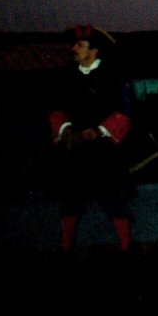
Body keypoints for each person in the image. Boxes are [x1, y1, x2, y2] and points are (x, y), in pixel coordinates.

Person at [48, 24, 134, 254]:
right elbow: (56, 107)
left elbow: (124, 112)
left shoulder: (112, 76)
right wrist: (65, 129)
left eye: (80, 45)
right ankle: (66, 250)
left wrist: (100, 131)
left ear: (94, 51)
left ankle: (127, 249)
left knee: (113, 199)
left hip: (104, 151)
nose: (74, 48)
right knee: (70, 201)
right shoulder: (66, 74)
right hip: (74, 149)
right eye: (74, 44)